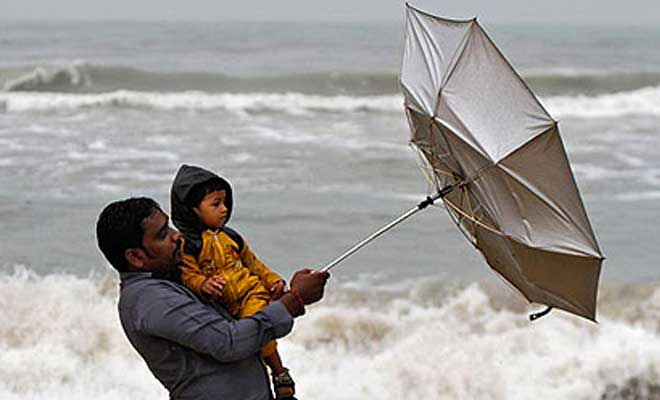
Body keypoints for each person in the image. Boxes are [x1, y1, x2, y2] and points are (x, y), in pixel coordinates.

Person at [96, 197, 329, 400]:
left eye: (169, 227)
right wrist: (293, 301)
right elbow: (229, 342)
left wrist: (266, 300)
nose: (176, 235)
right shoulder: (151, 299)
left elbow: (233, 323)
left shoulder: (169, 280)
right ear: (135, 257)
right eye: (162, 234)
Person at [169, 164, 296, 399]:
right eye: (215, 204)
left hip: (250, 293)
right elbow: (189, 275)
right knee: (241, 343)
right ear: (193, 210)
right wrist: (203, 284)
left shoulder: (231, 237)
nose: (224, 209)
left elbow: (254, 264)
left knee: (259, 329)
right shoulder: (189, 245)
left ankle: (279, 372)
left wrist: (274, 281)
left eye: (225, 202)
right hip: (224, 305)